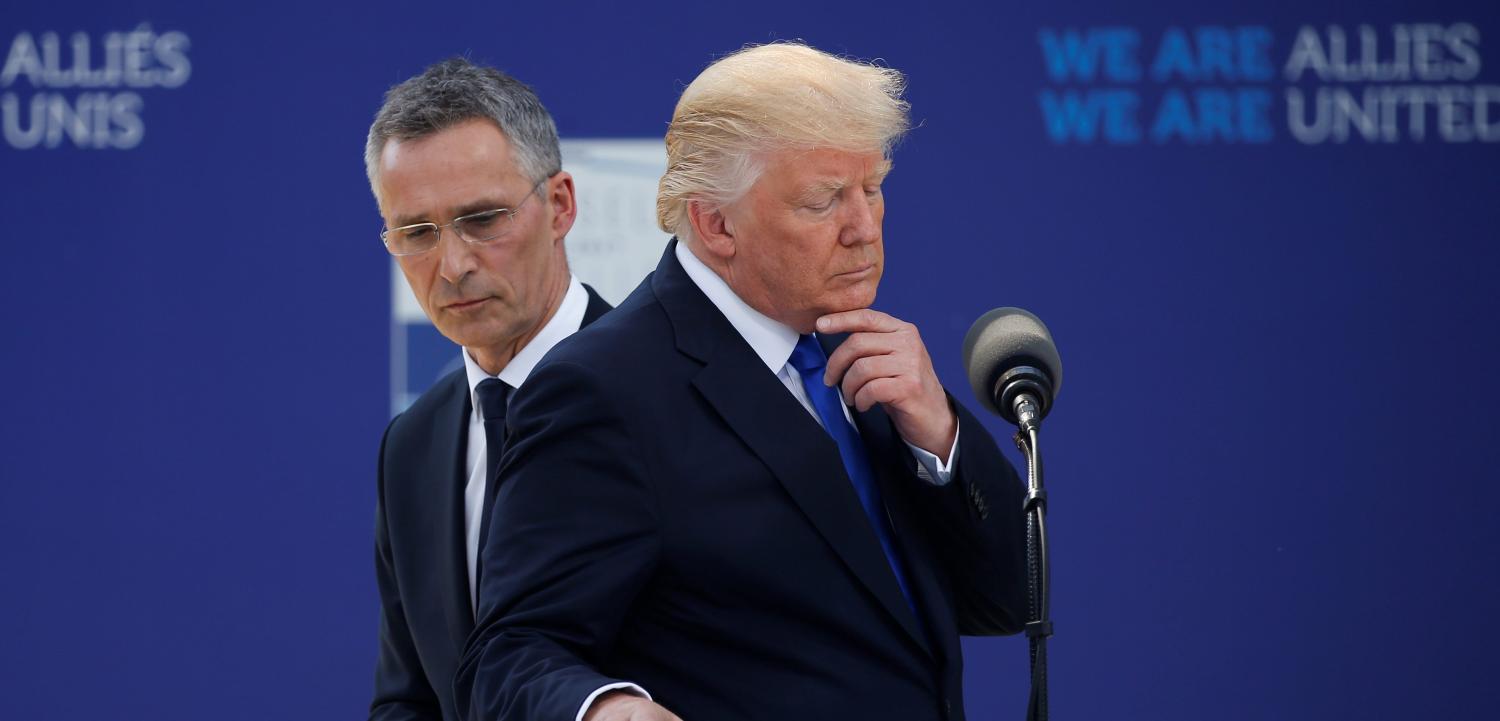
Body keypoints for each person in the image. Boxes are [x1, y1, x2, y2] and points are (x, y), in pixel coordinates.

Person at [455, 42, 1026, 721]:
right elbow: (511, 654)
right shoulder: (602, 387)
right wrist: (606, 708)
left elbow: (1009, 601)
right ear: (716, 222)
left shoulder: (866, 358)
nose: (864, 228)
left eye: (872, 189)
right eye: (824, 200)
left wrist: (940, 434)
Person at [365, 58, 612, 721]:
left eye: (482, 219)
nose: (453, 265)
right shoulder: (411, 446)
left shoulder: (676, 388)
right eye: (416, 233)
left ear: (559, 205)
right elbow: (408, 698)